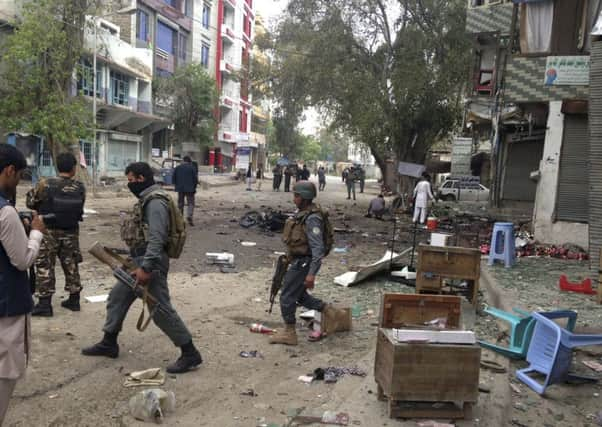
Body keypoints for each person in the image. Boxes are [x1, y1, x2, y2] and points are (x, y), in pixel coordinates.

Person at [82, 162, 202, 374]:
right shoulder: (149, 198)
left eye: (130, 180)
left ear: (140, 178)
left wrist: (146, 267)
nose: (129, 185)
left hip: (150, 263)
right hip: (139, 260)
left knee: (160, 309)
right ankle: (109, 342)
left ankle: (189, 352)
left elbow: (157, 238)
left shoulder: (155, 202)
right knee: (117, 297)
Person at [0, 144, 46, 424]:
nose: (18, 183)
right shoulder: (5, 214)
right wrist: (36, 233)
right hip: (6, 307)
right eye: (18, 177)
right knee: (4, 377)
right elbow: (23, 259)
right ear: (9, 171)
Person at [269, 181, 343, 346]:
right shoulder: (303, 213)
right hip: (298, 261)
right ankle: (330, 311)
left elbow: (317, 250)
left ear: (305, 197)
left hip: (304, 263)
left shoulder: (312, 219)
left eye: (297, 196)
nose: (294, 198)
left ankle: (290, 333)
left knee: (287, 297)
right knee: (300, 296)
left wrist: (311, 274)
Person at [27, 152, 86, 317]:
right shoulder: (80, 187)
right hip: (71, 231)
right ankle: (74, 300)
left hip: (48, 231)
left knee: (45, 265)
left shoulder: (44, 184)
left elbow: (30, 202)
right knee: (71, 263)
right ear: (73, 168)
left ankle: (45, 304)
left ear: (57, 166)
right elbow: (80, 208)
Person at [173, 156, 197, 227]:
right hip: (190, 189)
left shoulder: (177, 168)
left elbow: (173, 178)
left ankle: (180, 219)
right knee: (191, 203)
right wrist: (194, 187)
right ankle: (189, 215)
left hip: (180, 189)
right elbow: (195, 179)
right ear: (189, 161)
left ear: (183, 161)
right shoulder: (192, 168)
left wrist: (176, 186)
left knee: (180, 203)